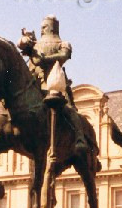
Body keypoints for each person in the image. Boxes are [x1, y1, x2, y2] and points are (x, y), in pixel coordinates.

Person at [18, 16, 87, 154]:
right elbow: (21, 45)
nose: (41, 30)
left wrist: (45, 59)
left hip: (55, 83)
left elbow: (64, 55)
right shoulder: (36, 44)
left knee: (69, 109)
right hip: (35, 84)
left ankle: (80, 138)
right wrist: (25, 39)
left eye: (44, 27)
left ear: (51, 28)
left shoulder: (63, 43)